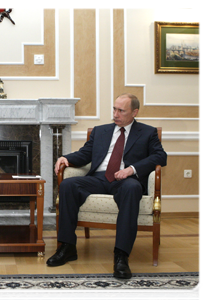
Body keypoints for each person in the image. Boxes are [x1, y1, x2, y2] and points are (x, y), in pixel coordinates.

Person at [47, 93, 167, 279]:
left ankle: (121, 255)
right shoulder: (100, 131)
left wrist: (131, 170)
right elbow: (85, 154)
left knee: (133, 188)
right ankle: (67, 247)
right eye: (114, 109)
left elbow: (160, 157)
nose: (115, 114)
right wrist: (66, 158)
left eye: (121, 110)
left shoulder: (147, 132)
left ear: (134, 112)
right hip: (99, 178)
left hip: (125, 180)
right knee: (69, 185)